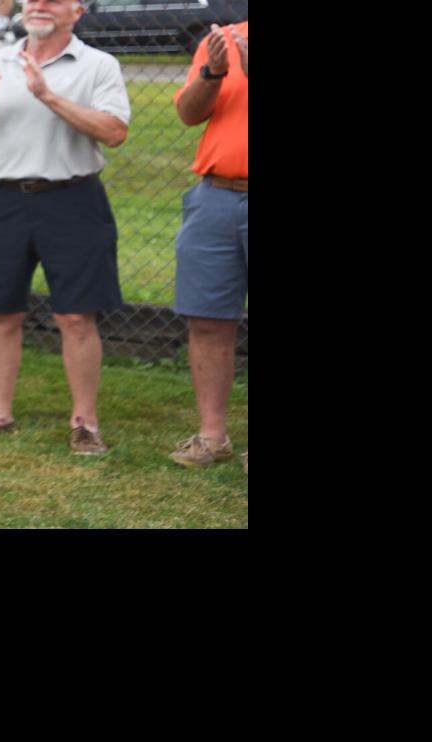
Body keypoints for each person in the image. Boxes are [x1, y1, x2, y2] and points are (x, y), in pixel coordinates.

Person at [0, 0, 126, 454]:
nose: (39, 5)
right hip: (1, 200)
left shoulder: (98, 65)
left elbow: (113, 131)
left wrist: (48, 95)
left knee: (76, 314)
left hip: (73, 199)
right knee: (0, 312)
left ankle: (85, 422)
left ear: (78, 11)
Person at [169, 20, 246, 469]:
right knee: (208, 319)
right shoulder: (224, 38)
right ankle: (212, 435)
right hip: (215, 195)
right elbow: (189, 113)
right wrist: (212, 73)